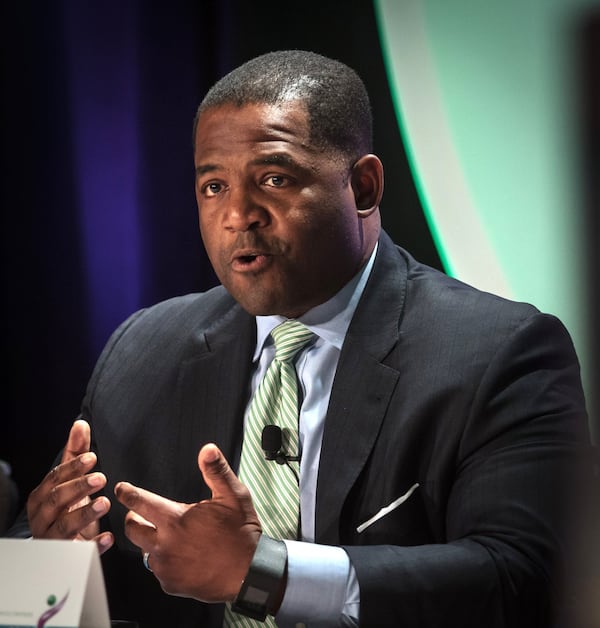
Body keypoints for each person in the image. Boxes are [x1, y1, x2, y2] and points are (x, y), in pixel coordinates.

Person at [8, 50, 590, 628]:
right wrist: (47, 558)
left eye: (274, 179)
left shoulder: (499, 352)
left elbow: (524, 581)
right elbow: (43, 592)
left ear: (362, 186)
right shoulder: (142, 350)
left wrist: (269, 574)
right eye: (213, 186)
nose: (239, 214)